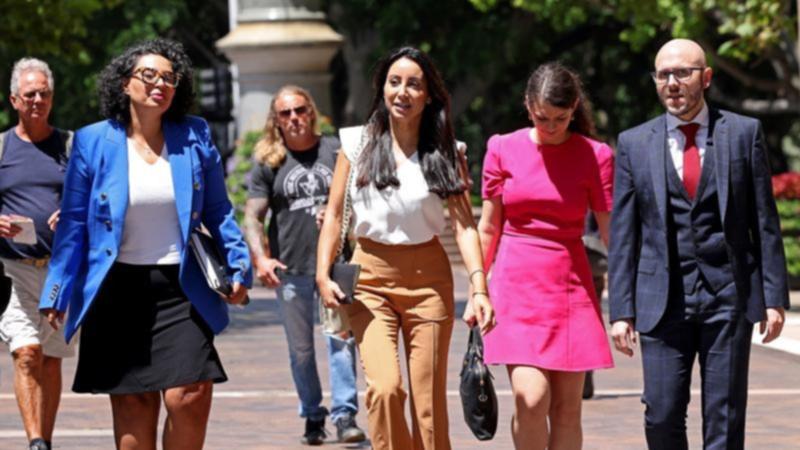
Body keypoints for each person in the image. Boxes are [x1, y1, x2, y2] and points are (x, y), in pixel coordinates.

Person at [38, 38, 252, 450]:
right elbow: (75, 222)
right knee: (135, 405)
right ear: (124, 84)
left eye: (169, 78)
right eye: (149, 75)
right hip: (116, 289)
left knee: (190, 393)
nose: (160, 84)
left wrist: (238, 266)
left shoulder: (194, 136)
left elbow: (219, 211)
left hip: (181, 287)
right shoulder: (93, 141)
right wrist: (57, 288)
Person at [607, 38, 788, 450]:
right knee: (661, 413)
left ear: (705, 78)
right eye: (663, 75)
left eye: (682, 73)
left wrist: (774, 296)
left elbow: (765, 220)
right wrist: (621, 310)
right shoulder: (634, 143)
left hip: (728, 297)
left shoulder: (743, 133)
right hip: (661, 299)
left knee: (724, 418)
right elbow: (624, 233)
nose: (672, 83)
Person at [316, 46, 495, 450]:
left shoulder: (449, 151)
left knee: (428, 404)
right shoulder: (356, 143)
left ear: (429, 94)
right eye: (394, 82)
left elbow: (465, 225)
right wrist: (322, 273)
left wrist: (480, 288)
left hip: (429, 281)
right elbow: (332, 214)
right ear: (382, 89)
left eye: (414, 84)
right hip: (369, 279)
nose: (403, 92)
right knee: (385, 389)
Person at [478, 62, 614, 450]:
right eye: (541, 118)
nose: (551, 126)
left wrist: (628, 298)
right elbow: (489, 226)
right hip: (516, 284)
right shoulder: (502, 148)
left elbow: (611, 232)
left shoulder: (596, 155)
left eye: (560, 118)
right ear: (527, 105)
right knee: (532, 398)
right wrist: (478, 287)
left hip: (571, 287)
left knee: (568, 409)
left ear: (575, 108)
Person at [244, 85, 365, 445]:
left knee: (341, 340)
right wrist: (261, 257)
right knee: (300, 349)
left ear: (311, 112)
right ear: (276, 120)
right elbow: (253, 215)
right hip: (291, 268)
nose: (294, 118)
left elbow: (361, 199)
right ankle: (313, 415)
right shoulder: (270, 160)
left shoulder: (335, 151)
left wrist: (340, 212)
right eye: (286, 113)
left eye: (300, 110)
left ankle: (345, 417)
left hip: (334, 266)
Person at [0, 57, 74, 450]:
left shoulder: (71, 145)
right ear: (14, 99)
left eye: (44, 93)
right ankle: (36, 444)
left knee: (51, 357)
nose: (38, 100)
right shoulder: (1, 148)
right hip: (13, 271)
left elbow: (94, 199)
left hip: (61, 271)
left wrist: (73, 214)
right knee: (27, 353)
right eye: (30, 94)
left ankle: (45, 437)